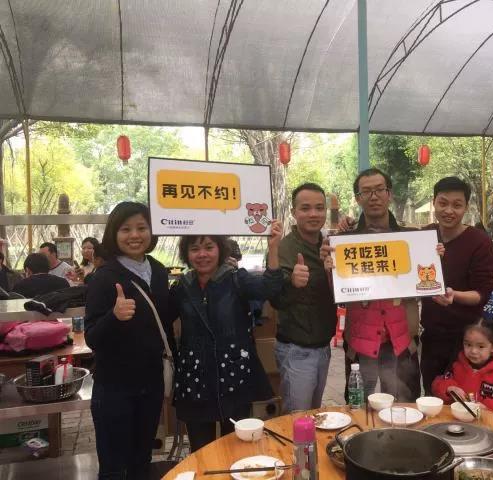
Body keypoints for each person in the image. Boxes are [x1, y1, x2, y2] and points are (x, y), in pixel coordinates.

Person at [169, 222, 283, 453]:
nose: (202, 254)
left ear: (220, 249)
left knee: (237, 448)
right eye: (194, 249)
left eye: (209, 247)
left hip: (234, 376)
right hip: (195, 379)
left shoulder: (237, 279)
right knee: (201, 451)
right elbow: (160, 315)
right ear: (186, 254)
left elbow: (270, 287)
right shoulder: (182, 286)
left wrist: (273, 248)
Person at [322, 168, 432, 402]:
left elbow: (426, 280)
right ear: (357, 198)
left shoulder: (411, 238)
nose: (374, 196)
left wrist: (434, 255)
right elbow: (338, 294)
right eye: (366, 192)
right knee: (360, 406)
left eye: (380, 190)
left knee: (404, 406)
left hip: (401, 339)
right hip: (361, 341)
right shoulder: (345, 241)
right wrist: (330, 268)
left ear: (389, 194)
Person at [84, 202, 173, 479]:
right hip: (114, 388)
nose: (135, 235)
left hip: (151, 384)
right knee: (113, 467)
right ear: (114, 233)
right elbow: (92, 337)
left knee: (141, 460)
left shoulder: (159, 271)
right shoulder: (104, 277)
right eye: (126, 229)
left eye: (142, 228)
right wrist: (114, 316)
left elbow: (164, 324)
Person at [420, 177, 493, 394]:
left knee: (465, 400)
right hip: (432, 337)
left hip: (467, 341)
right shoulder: (425, 236)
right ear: (434, 203)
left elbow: (482, 294)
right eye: (443, 203)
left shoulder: (479, 242)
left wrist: (455, 296)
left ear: (466, 207)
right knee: (433, 396)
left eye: (457, 205)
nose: (449, 211)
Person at [271, 183, 336, 412]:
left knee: (314, 414)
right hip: (296, 350)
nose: (313, 214)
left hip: (323, 346)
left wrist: (332, 272)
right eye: (305, 208)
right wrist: (292, 282)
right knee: (298, 419)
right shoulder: (284, 248)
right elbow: (275, 299)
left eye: (319, 208)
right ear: (293, 212)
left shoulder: (329, 245)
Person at [431, 318, 493, 415]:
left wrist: (487, 406)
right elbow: (437, 384)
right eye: (468, 345)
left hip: (488, 421)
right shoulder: (458, 366)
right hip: (457, 419)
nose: (473, 351)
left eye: (481, 346)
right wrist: (449, 388)